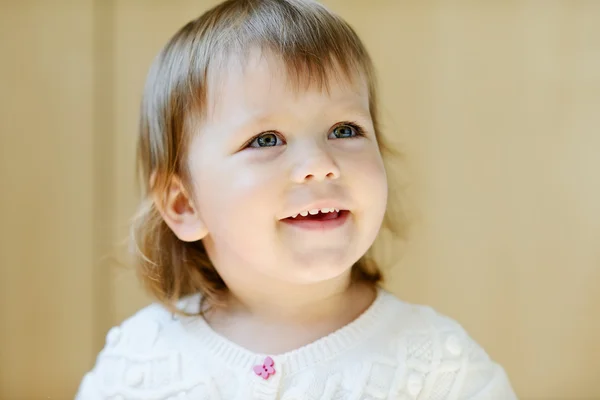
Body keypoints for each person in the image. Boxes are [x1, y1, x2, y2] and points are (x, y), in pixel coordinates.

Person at [76, 0, 518, 398]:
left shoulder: (440, 367)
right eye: (266, 139)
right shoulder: (140, 364)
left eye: (345, 130)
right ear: (183, 205)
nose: (319, 163)